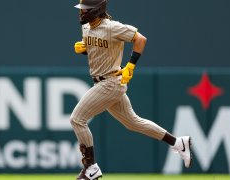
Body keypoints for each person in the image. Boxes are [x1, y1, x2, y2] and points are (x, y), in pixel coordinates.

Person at [71, 0, 192, 179]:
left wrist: (130, 66)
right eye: (81, 9)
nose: (81, 13)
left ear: (96, 10)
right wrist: (85, 49)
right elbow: (100, 50)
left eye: (85, 9)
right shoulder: (87, 28)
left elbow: (140, 39)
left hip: (110, 82)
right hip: (103, 82)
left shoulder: (112, 27)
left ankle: (91, 167)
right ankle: (178, 142)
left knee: (77, 119)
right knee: (133, 122)